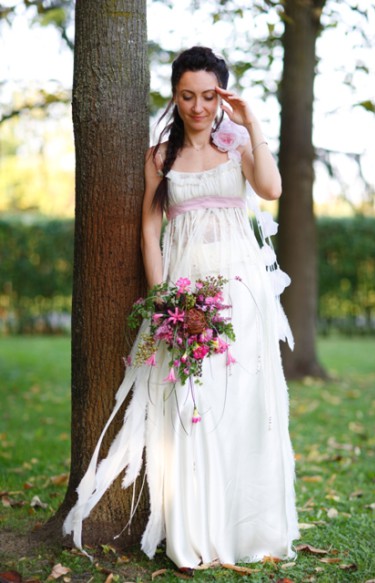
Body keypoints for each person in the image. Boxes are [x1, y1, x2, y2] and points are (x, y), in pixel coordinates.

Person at [64, 46, 299, 569]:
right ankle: (200, 531)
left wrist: (253, 120)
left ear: (222, 95)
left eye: (209, 95)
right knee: (194, 405)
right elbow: (151, 228)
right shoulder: (159, 157)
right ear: (175, 95)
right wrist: (163, 297)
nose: (198, 106)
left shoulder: (238, 145)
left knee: (241, 403)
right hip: (185, 291)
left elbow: (272, 187)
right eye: (188, 95)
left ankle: (249, 529)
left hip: (240, 292)